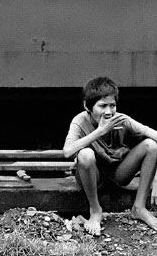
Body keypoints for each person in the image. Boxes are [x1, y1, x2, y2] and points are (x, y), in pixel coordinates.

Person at [63, 76, 157, 236]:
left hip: (118, 173)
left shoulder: (121, 119)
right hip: (92, 175)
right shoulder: (80, 120)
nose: (108, 112)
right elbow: (67, 151)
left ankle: (139, 208)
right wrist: (100, 131)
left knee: (151, 145)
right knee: (85, 154)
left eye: (112, 105)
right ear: (88, 106)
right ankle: (95, 210)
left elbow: (153, 135)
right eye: (102, 106)